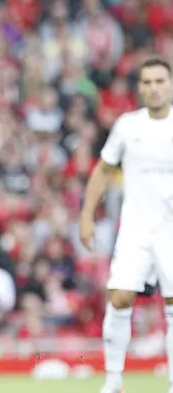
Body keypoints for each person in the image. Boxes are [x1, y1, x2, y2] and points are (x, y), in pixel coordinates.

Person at [80, 56, 173, 393]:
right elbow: (104, 170)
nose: (154, 88)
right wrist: (87, 214)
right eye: (147, 82)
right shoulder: (127, 126)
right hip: (135, 229)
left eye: (160, 81)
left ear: (171, 84)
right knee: (119, 297)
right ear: (139, 88)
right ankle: (114, 380)